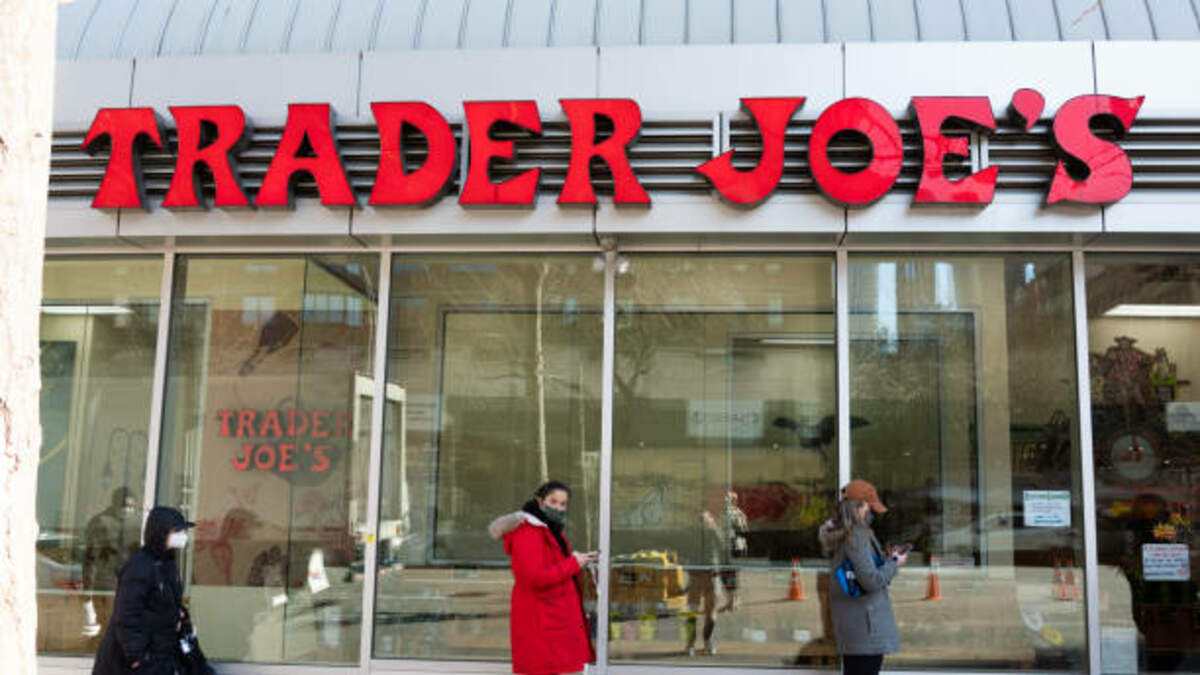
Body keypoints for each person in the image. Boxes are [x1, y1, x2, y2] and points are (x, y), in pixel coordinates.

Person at [489, 481, 597, 675]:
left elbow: (550, 566)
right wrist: (573, 563)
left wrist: (577, 561)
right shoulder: (529, 531)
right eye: (553, 502)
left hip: (550, 617)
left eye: (563, 504)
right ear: (540, 501)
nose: (558, 508)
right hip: (541, 619)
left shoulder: (548, 529)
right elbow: (534, 577)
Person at [818, 480, 908, 675]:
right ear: (858, 507)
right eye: (869, 506)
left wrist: (886, 559)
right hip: (866, 627)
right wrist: (894, 563)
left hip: (854, 625)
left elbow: (862, 570)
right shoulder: (856, 537)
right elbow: (871, 581)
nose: (871, 512)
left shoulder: (843, 535)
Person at [92, 506, 195, 675]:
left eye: (183, 531)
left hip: (157, 654)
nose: (182, 536)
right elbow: (126, 617)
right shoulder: (140, 567)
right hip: (133, 663)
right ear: (161, 533)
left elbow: (166, 602)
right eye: (177, 531)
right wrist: (138, 658)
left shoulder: (167, 562)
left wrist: (178, 617)